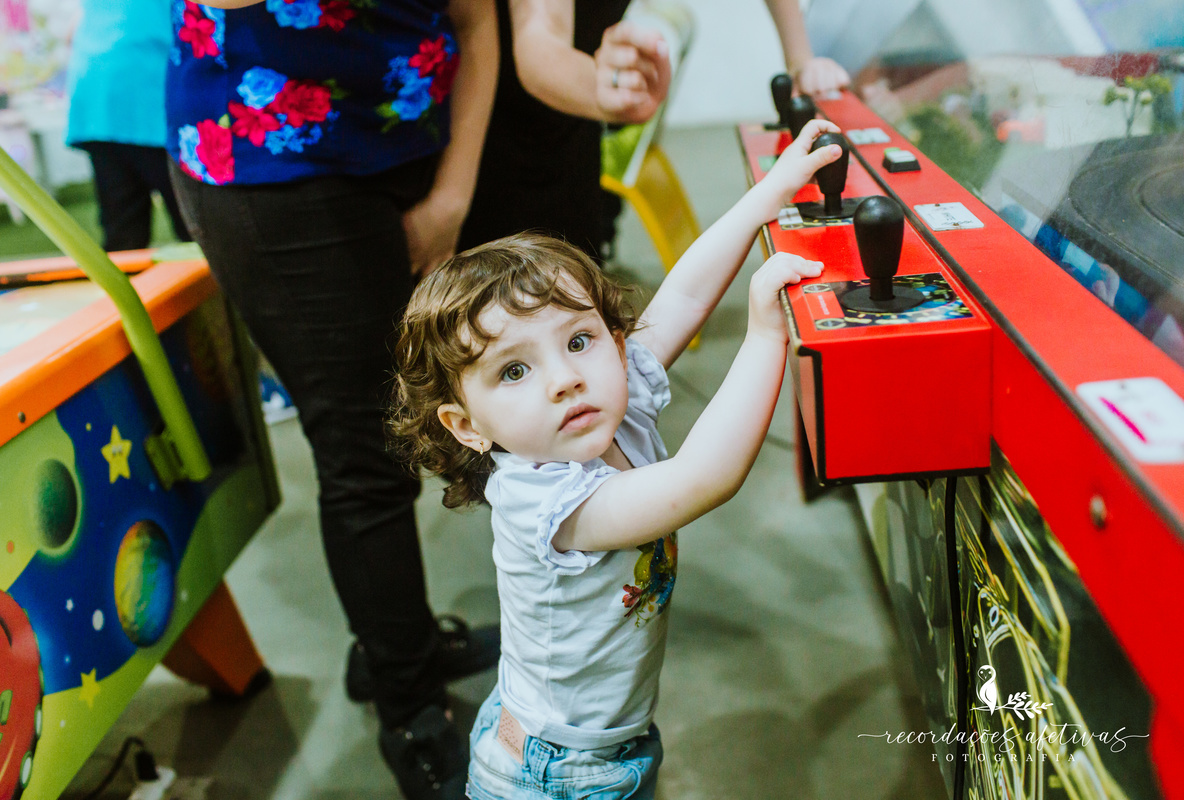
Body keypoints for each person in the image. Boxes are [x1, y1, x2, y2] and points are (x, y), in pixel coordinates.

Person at [390, 118, 843, 799]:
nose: (563, 378)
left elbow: (685, 295)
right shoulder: (545, 498)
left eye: (578, 341)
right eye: (513, 372)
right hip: (558, 776)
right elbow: (703, 478)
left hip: (603, 743)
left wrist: (769, 195)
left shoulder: (607, 405)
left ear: (614, 335)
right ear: (467, 426)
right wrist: (764, 336)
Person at [165, 1, 498, 798]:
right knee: (368, 452)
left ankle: (395, 643)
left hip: (406, 143)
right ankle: (410, 710)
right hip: (272, 166)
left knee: (422, 424)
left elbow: (478, 19)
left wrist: (453, 193)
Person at [457, 0, 850, 263]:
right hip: (488, 121)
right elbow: (537, 39)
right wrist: (602, 86)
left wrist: (799, 57)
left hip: (573, 123)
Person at [65, 0, 192, 252]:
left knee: (122, 227)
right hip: (146, 86)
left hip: (96, 89)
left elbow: (71, 31)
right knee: (193, 220)